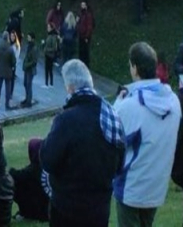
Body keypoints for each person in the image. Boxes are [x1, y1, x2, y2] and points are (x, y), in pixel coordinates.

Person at [41, 59, 124, 227]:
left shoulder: (66, 120)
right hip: (99, 209)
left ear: (70, 87)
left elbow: (47, 160)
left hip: (67, 209)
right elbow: (120, 163)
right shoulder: (111, 115)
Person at [113, 42, 181, 227]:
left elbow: (113, 138)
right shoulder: (173, 102)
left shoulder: (130, 105)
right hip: (156, 186)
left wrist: (118, 104)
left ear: (134, 68)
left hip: (131, 187)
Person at [0, 32, 16, 111]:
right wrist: (11, 66)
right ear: (7, 38)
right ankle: (7, 104)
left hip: (0, 70)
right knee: (7, 88)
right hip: (8, 71)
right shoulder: (10, 48)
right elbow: (14, 61)